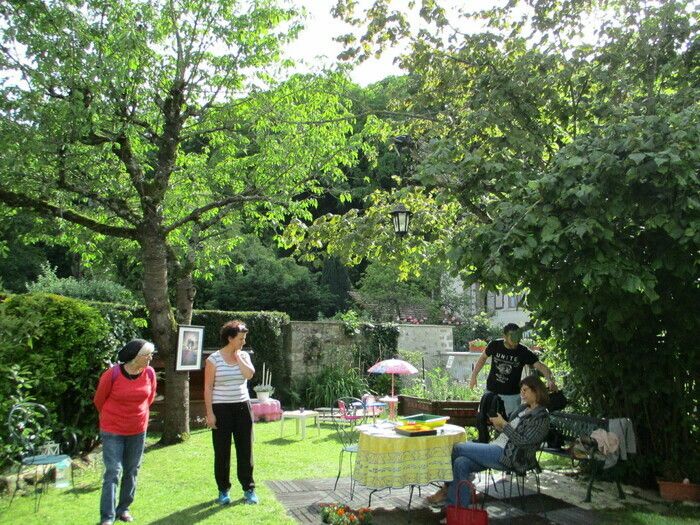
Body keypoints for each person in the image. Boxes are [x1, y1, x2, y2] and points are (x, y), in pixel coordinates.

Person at [431, 375, 550, 513]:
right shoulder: (523, 409)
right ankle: (456, 509)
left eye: (525, 390)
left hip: (513, 456)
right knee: (460, 462)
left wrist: (504, 425)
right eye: (521, 390)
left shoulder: (541, 417)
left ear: (536, 391)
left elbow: (523, 442)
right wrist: (499, 426)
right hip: (498, 448)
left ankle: (448, 488)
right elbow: (508, 433)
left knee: (458, 448)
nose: (522, 393)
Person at [93, 339, 157, 525]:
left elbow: (149, 398)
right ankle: (107, 517)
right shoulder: (112, 374)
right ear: (136, 357)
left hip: (137, 429)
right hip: (113, 430)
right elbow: (99, 400)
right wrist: (111, 418)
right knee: (113, 471)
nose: (150, 358)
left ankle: (124, 509)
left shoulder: (150, 373)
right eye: (148, 355)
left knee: (132, 470)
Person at [204, 320, 258, 505]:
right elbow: (208, 387)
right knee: (222, 451)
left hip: (243, 407)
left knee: (245, 449)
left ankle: (248, 489)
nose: (243, 341)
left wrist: (239, 358)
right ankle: (223, 490)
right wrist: (210, 413)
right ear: (230, 338)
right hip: (221, 409)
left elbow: (249, 375)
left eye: (244, 338)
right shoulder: (213, 359)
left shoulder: (244, 355)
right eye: (241, 338)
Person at [470, 323, 557, 417]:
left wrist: (549, 379)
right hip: (491, 392)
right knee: (484, 420)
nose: (516, 341)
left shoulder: (523, 351)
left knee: (510, 425)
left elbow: (541, 366)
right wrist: (473, 376)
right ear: (504, 336)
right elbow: (482, 358)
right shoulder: (495, 345)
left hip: (511, 397)